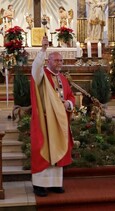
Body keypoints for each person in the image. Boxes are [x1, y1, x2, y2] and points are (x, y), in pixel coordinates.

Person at [30, 36, 75, 197]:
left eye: (61, 61)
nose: (59, 63)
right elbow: (34, 69)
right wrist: (42, 50)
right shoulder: (42, 75)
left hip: (60, 121)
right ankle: (39, 185)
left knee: (58, 148)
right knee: (44, 148)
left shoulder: (63, 78)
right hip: (45, 120)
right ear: (48, 61)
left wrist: (68, 104)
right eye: (56, 60)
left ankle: (55, 183)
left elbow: (71, 97)